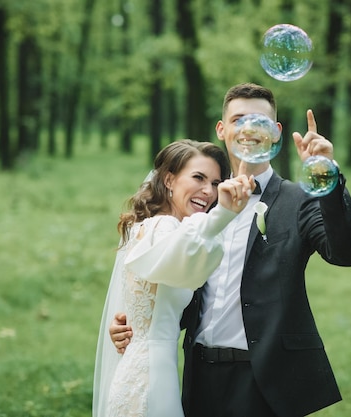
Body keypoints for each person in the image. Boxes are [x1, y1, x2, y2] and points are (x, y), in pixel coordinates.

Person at [110, 83, 351, 417]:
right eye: (238, 119)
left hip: (266, 383)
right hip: (198, 376)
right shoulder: (202, 203)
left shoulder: (298, 200)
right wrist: (135, 324)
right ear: (222, 129)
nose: (248, 129)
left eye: (259, 121)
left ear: (276, 133)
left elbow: (348, 253)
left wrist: (325, 175)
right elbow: (172, 271)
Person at [93, 139, 256, 417]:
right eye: (198, 178)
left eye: (216, 183)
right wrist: (223, 214)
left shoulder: (154, 228)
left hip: (150, 370)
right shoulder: (163, 227)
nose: (208, 191)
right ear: (169, 179)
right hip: (150, 379)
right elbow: (185, 247)